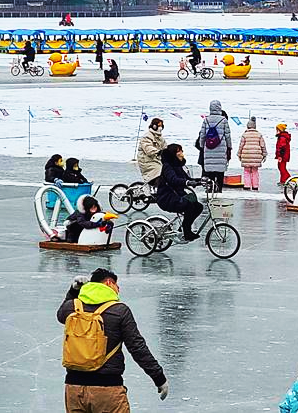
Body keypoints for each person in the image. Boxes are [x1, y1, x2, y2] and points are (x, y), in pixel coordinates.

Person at [58, 268, 168, 412]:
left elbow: (61, 315)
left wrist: (73, 291)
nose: (118, 289)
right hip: (107, 390)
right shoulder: (119, 311)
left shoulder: (72, 306)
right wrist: (159, 377)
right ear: (109, 283)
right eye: (117, 285)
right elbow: (137, 348)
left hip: (74, 389)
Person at [157, 144, 204, 241]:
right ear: (173, 154)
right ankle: (186, 230)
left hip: (177, 195)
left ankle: (185, 227)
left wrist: (200, 181)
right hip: (167, 197)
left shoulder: (177, 166)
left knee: (198, 206)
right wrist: (187, 182)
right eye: (179, 151)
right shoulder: (167, 166)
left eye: (181, 151)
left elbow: (187, 179)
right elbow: (173, 179)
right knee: (189, 205)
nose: (181, 153)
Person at [198, 100, 232, 192]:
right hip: (221, 147)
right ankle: (219, 189)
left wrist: (202, 145)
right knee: (220, 171)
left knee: (210, 171)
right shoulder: (223, 120)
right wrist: (229, 146)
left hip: (209, 148)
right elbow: (227, 135)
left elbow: (202, 135)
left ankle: (211, 189)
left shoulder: (206, 120)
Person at [238, 117, 268, 191]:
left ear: (247, 126)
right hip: (256, 155)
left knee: (246, 171)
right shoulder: (259, 135)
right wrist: (264, 154)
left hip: (246, 155)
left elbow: (241, 145)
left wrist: (239, 154)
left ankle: (247, 185)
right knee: (255, 171)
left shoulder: (244, 135)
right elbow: (263, 145)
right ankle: (255, 186)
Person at [137, 118, 166, 188]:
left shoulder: (160, 137)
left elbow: (165, 146)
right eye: (159, 126)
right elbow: (148, 148)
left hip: (156, 159)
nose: (160, 128)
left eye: (161, 126)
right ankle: (156, 188)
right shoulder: (147, 136)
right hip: (147, 160)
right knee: (159, 171)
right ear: (154, 126)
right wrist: (158, 151)